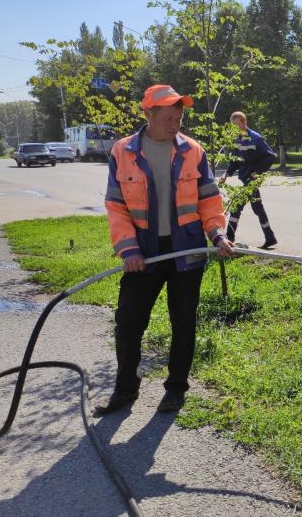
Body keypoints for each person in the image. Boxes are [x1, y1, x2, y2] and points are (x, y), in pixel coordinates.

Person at [98, 84, 235, 415]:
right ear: (149, 114)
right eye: (169, 117)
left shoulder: (193, 151)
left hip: (186, 251)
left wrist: (217, 235)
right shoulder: (123, 151)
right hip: (142, 254)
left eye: (180, 117)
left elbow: (209, 200)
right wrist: (129, 250)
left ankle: (176, 390)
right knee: (129, 323)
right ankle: (126, 390)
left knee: (184, 323)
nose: (176, 123)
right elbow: (116, 206)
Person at [218, 111, 278, 249]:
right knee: (257, 207)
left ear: (244, 123)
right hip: (245, 179)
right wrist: (226, 174)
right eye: (232, 126)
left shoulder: (255, 138)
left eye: (236, 125)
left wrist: (258, 172)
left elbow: (270, 156)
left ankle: (229, 237)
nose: (234, 128)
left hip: (253, 179)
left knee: (237, 206)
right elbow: (234, 161)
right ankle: (270, 237)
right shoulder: (237, 139)